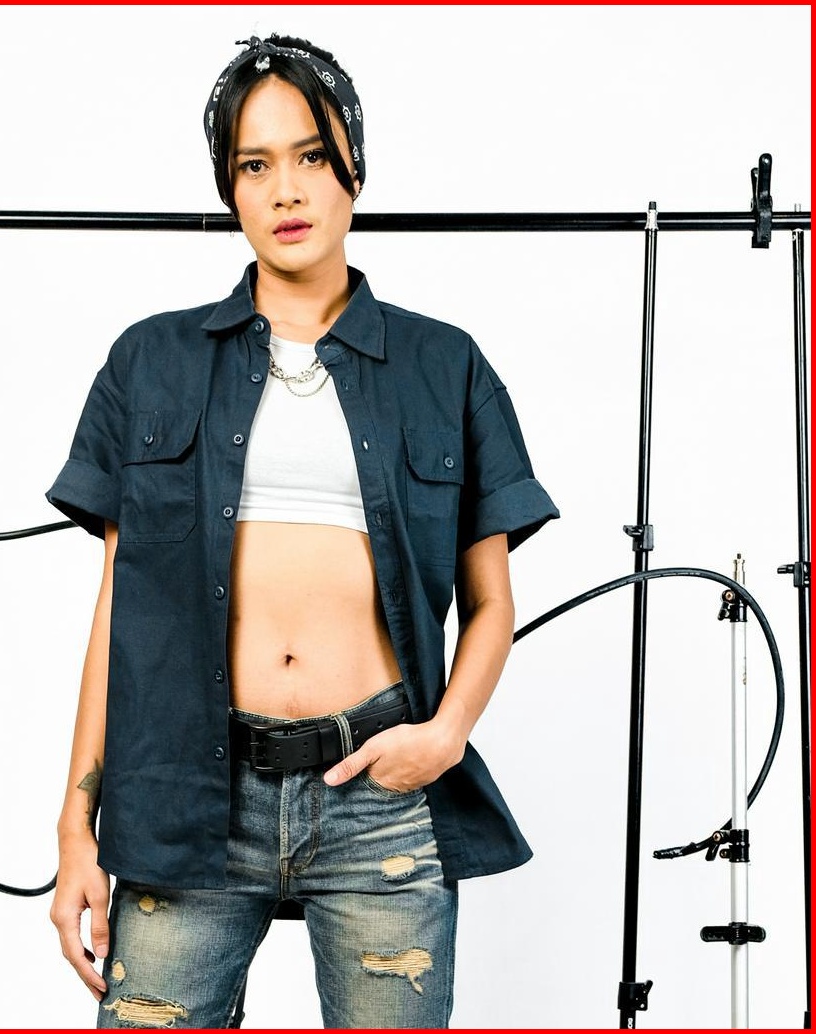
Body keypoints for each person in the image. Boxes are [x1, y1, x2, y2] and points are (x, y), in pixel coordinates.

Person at [46, 34, 558, 1030]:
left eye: (311, 156)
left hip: (378, 795)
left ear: (352, 165)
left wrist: (444, 735)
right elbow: (119, 614)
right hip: (188, 795)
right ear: (229, 190)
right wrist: (76, 827)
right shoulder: (150, 362)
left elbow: (493, 601)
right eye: (254, 164)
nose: (285, 189)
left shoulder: (444, 366)